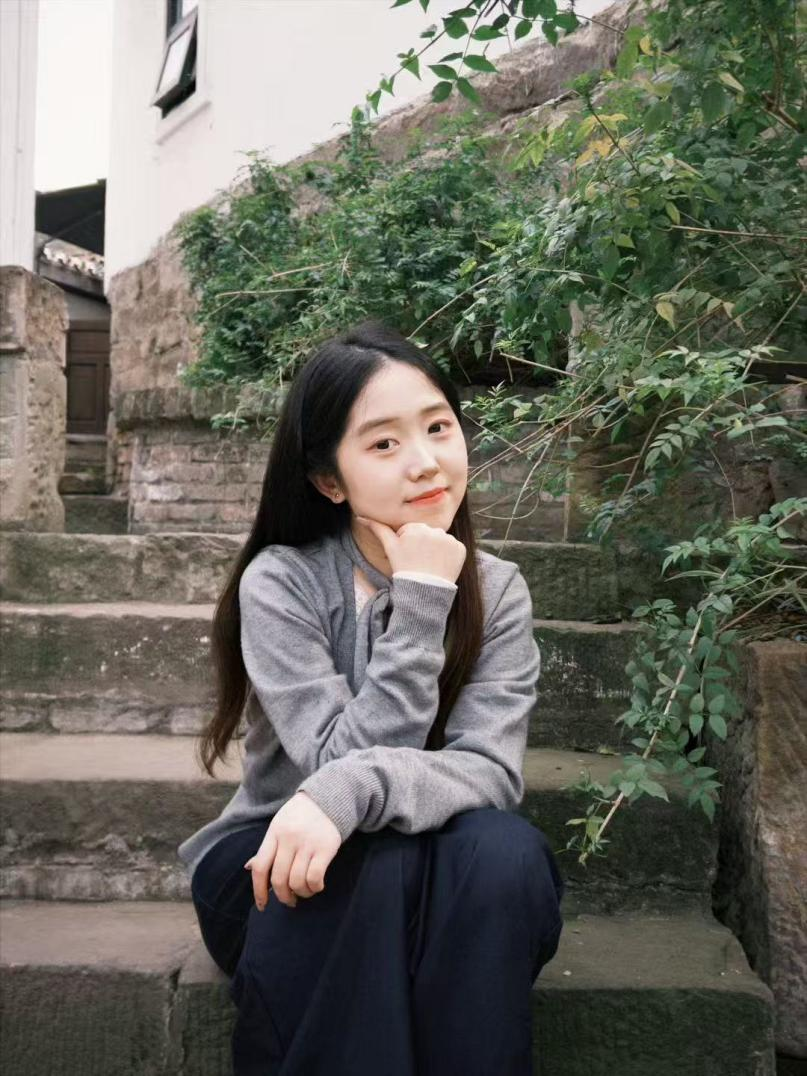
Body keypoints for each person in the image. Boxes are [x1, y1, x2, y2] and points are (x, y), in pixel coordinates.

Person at [177, 319, 565, 1075]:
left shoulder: (498, 591)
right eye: (384, 443)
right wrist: (419, 602)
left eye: (438, 427)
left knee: (505, 852)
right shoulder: (283, 583)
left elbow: (489, 771)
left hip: (433, 872)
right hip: (275, 869)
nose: (425, 462)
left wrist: (356, 788)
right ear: (330, 480)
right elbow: (328, 757)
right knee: (381, 870)